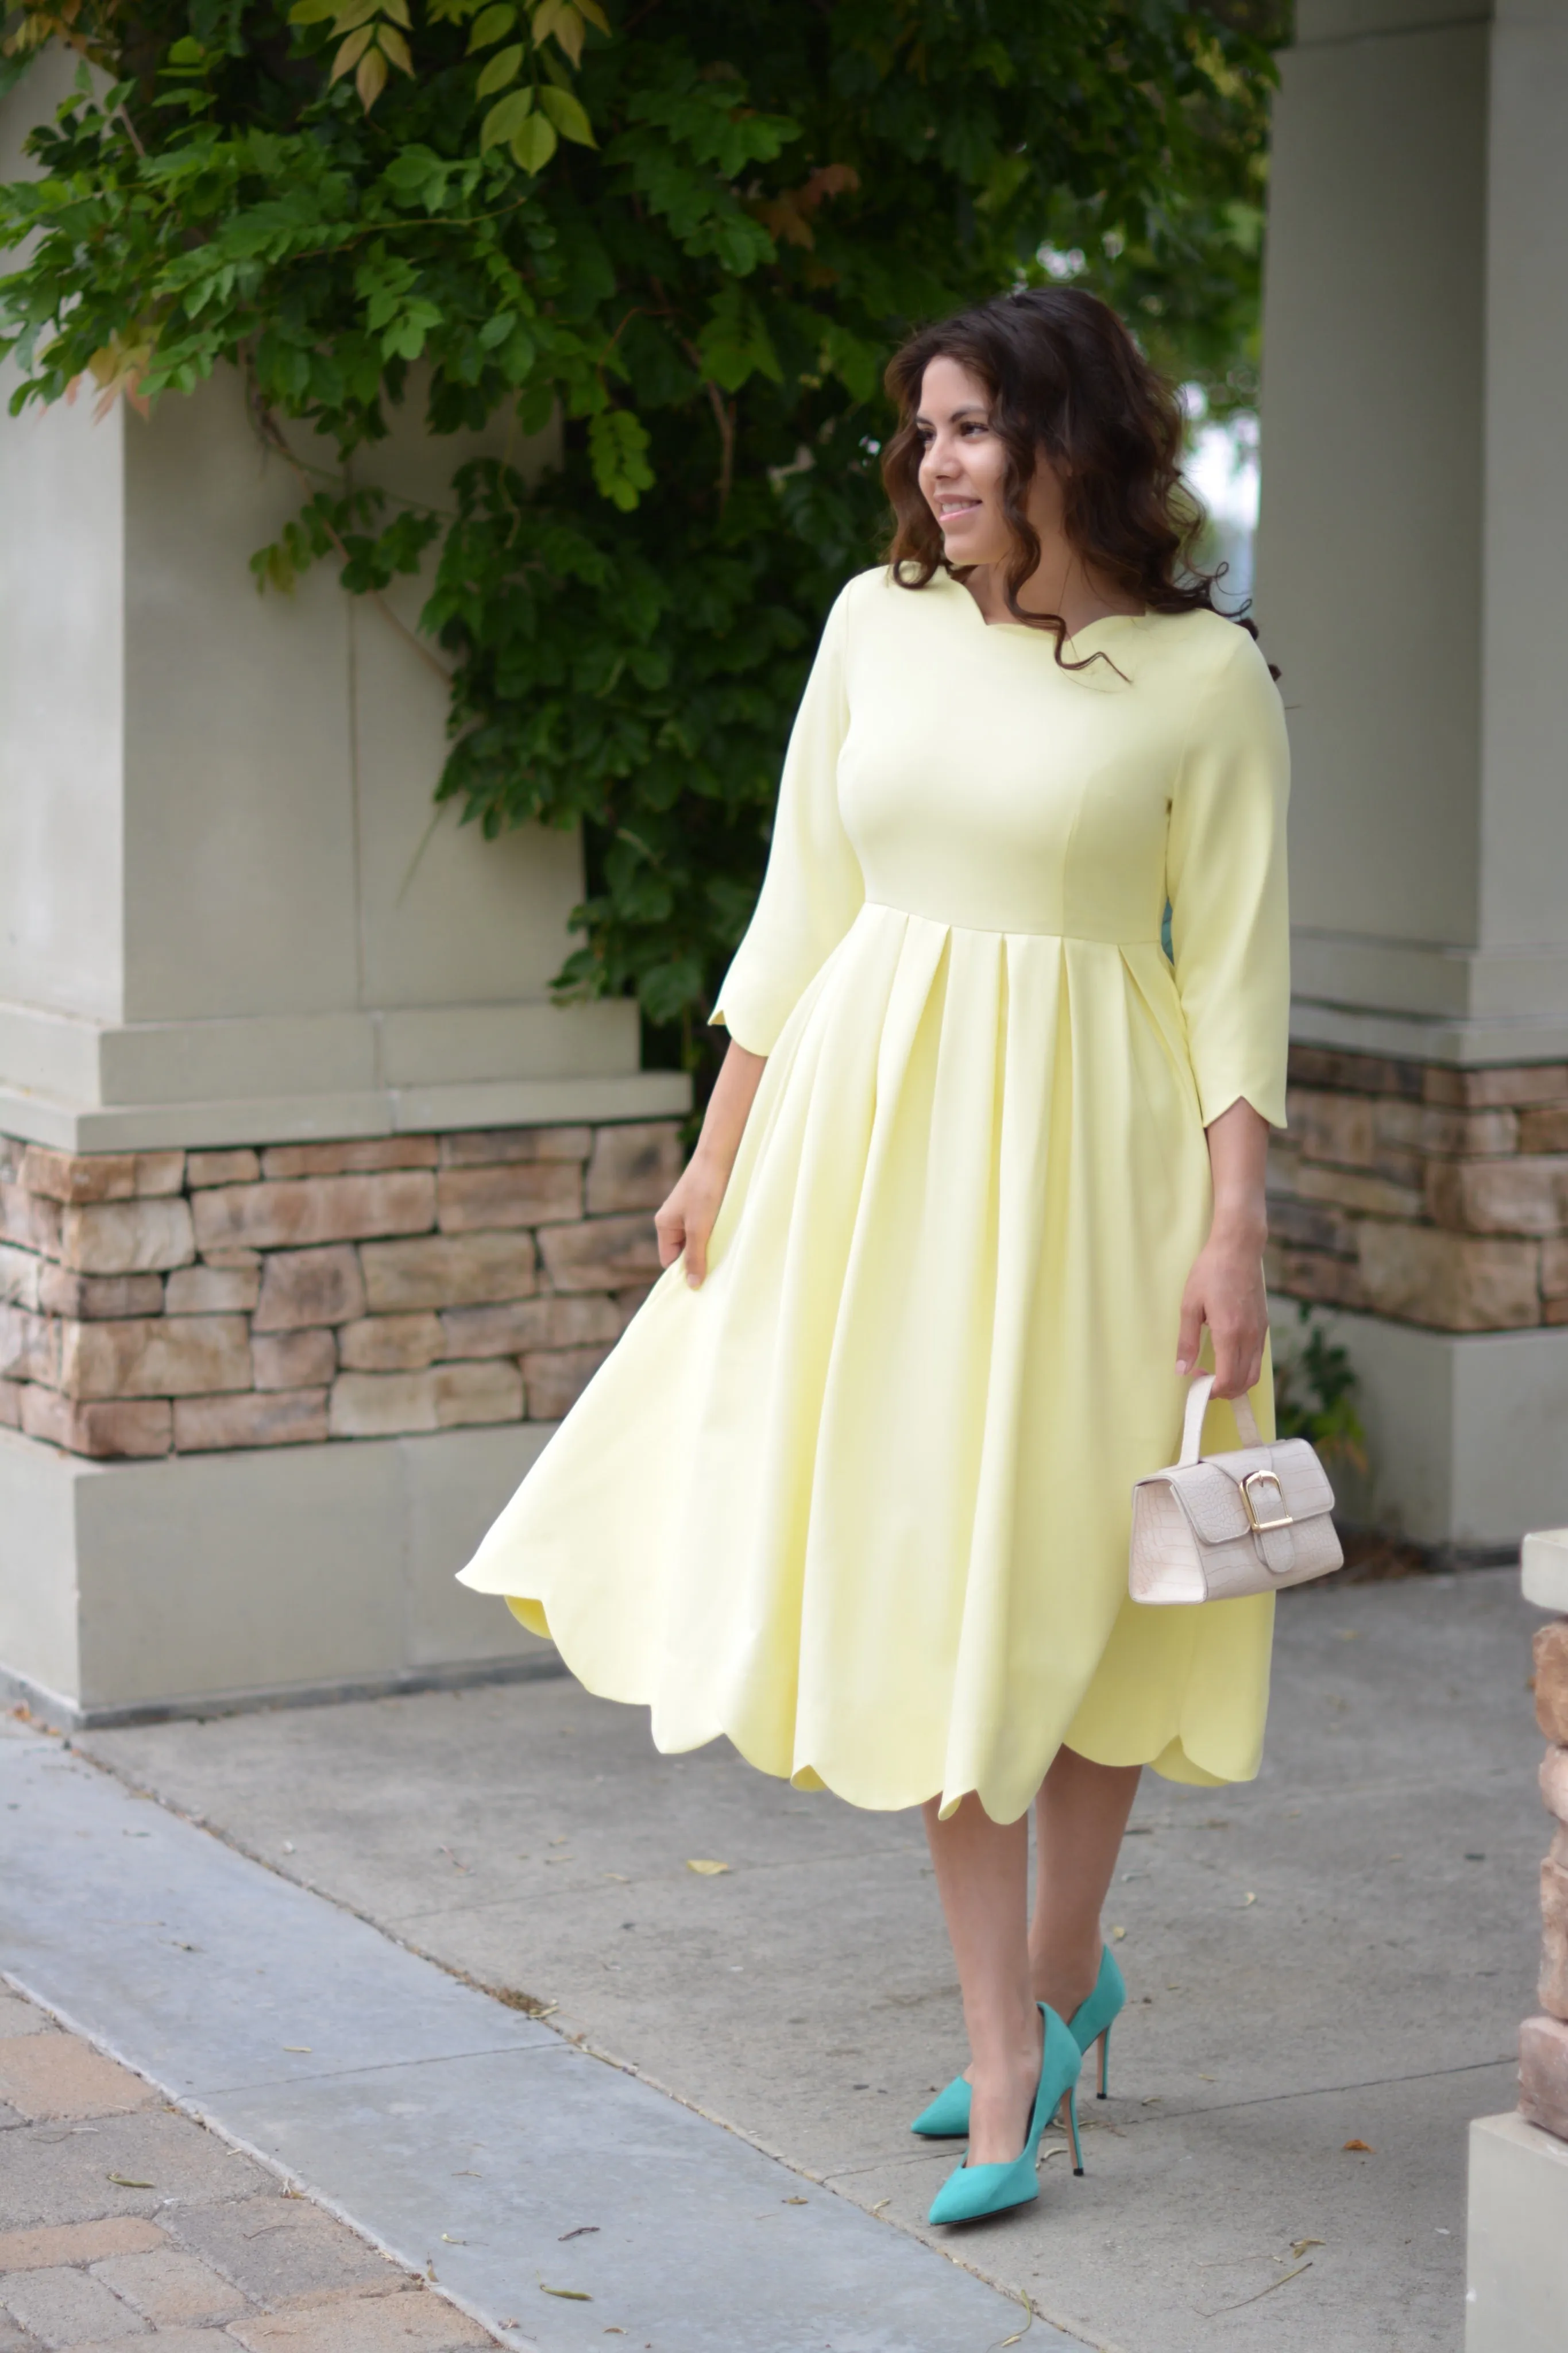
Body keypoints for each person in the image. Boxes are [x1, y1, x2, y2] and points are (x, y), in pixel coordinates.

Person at [458, 284, 1289, 2228]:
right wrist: (717, 1149)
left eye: (979, 428)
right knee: (947, 1580)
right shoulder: (875, 624)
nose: (943, 463)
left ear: (1074, 438)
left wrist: (1239, 1226)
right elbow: (799, 903)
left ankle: (1066, 1994)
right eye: (925, 431)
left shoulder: (1202, 679)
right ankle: (1003, 2065)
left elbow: (1238, 972)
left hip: (1109, 1167)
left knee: (1101, 1588)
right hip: (883, 1147)